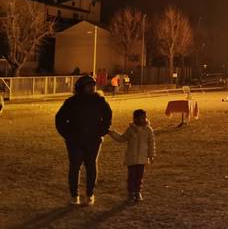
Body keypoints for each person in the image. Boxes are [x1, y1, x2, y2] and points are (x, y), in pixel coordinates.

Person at [55, 75, 112, 205]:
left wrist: (101, 132)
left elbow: (107, 117)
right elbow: (60, 120)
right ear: (81, 87)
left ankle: (90, 194)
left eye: (93, 85)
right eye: (89, 85)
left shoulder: (99, 101)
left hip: (93, 140)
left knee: (91, 166)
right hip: (75, 140)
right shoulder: (71, 102)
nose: (92, 87)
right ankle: (74, 196)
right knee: (75, 167)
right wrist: (68, 135)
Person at [109, 109, 156, 202]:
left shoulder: (148, 130)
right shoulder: (131, 130)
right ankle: (131, 193)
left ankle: (138, 192)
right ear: (135, 119)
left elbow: (151, 143)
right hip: (132, 158)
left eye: (145, 117)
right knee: (131, 177)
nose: (144, 119)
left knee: (139, 177)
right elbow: (122, 138)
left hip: (142, 158)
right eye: (142, 118)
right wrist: (112, 133)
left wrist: (151, 155)